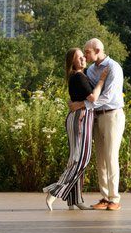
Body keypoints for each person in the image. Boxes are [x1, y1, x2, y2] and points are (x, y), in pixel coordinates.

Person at [43, 48, 108, 211]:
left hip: (81, 117)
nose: (82, 59)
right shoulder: (78, 76)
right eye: (78, 58)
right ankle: (55, 191)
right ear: (72, 62)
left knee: (78, 157)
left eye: (83, 57)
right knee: (81, 158)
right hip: (80, 118)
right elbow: (93, 98)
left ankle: (75, 200)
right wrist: (102, 80)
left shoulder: (81, 75)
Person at [83, 38, 125, 211]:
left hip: (112, 115)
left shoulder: (114, 67)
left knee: (111, 156)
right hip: (97, 116)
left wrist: (84, 106)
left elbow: (107, 96)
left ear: (98, 50)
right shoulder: (91, 69)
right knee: (100, 158)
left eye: (87, 52)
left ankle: (114, 198)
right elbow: (92, 92)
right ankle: (105, 197)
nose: (85, 55)